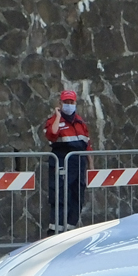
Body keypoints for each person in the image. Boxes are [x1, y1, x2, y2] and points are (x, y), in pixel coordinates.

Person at [44, 89, 92, 236]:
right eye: (66, 102)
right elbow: (52, 135)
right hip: (61, 163)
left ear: (75, 103)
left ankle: (69, 231)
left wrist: (91, 166)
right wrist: (58, 116)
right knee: (59, 197)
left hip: (78, 164)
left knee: (77, 198)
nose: (69, 105)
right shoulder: (54, 121)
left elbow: (87, 146)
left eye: (71, 102)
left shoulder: (80, 123)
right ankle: (55, 233)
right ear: (60, 103)